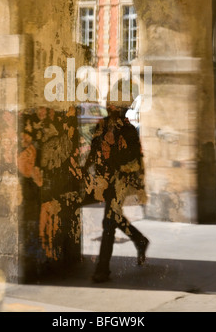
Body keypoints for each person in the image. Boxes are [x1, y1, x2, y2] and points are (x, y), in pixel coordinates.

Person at [83, 85, 149, 283]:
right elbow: (93, 151)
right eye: (111, 104)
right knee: (112, 219)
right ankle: (140, 240)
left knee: (109, 222)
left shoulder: (128, 131)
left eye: (116, 105)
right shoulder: (102, 126)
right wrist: (86, 172)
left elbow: (135, 160)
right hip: (105, 181)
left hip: (119, 182)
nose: (112, 107)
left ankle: (102, 269)